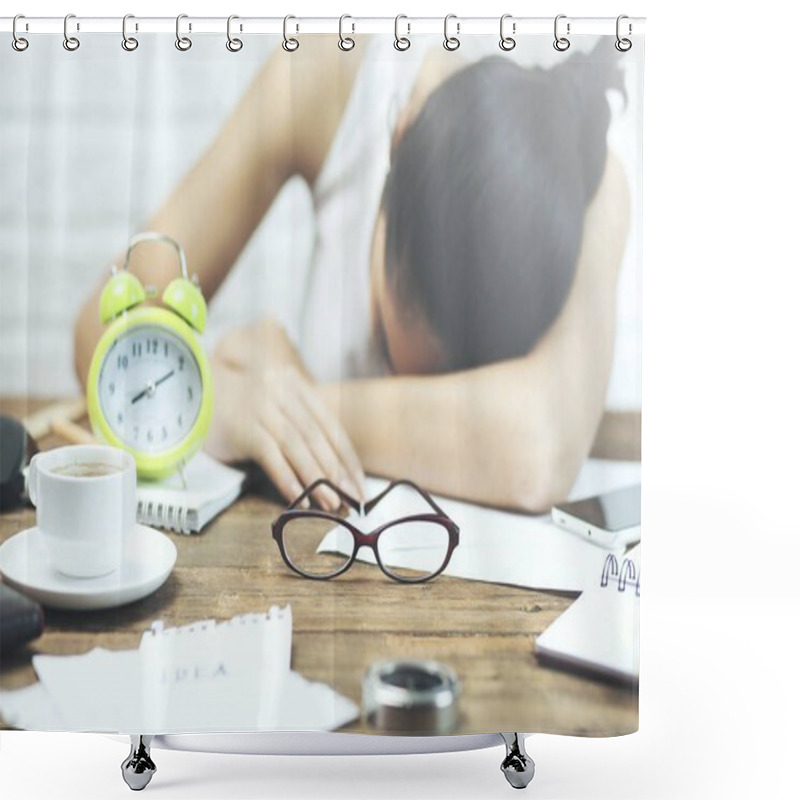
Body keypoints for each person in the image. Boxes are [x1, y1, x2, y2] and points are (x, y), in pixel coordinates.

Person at [74, 35, 631, 514]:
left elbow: (535, 451)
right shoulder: (328, 76)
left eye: (453, 379)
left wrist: (286, 410)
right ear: (398, 135)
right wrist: (225, 404)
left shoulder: (590, 186)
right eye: (383, 340)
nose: (400, 386)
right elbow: (97, 333)